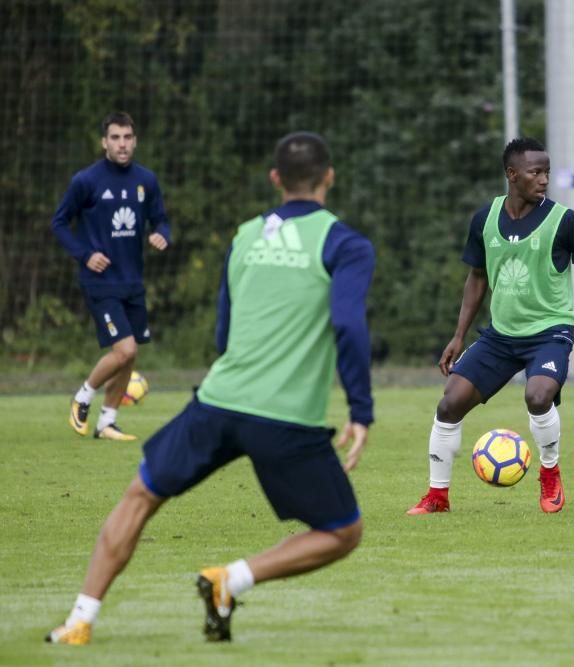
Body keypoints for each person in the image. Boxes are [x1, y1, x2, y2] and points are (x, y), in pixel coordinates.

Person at [46, 132, 376, 645]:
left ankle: (79, 620)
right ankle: (232, 578)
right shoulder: (346, 244)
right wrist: (361, 410)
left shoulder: (245, 235)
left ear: (275, 180)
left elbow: (224, 333)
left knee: (139, 497)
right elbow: (349, 326)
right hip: (285, 418)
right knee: (342, 532)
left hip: (218, 402)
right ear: (329, 176)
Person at [407, 137, 574, 516]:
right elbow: (477, 278)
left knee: (538, 396)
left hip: (550, 332)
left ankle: (550, 474)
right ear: (512, 174)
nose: (544, 180)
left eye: (547, 173)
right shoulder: (485, 219)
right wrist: (459, 335)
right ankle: (437, 497)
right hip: (501, 335)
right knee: (449, 403)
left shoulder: (564, 221)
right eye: (535, 172)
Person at [52, 111, 171, 441]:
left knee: (130, 356)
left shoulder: (146, 180)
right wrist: (85, 255)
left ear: (135, 141)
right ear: (104, 141)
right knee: (125, 350)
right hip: (100, 282)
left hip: (132, 281)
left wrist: (163, 234)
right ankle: (84, 395)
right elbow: (59, 223)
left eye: (127, 137)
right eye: (115, 137)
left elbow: (161, 220)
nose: (122, 144)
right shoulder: (86, 181)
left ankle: (107, 422)